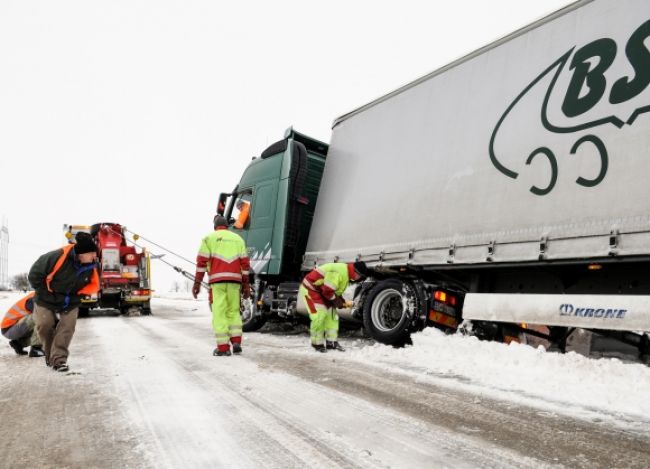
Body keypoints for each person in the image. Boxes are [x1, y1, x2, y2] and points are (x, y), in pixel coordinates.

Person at [28, 232, 100, 372]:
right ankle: (50, 356)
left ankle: (59, 360)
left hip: (70, 300)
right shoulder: (55, 257)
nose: (94, 256)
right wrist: (46, 293)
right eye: (91, 253)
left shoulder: (91, 266)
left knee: (67, 326)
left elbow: (92, 285)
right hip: (46, 297)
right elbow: (34, 275)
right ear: (81, 253)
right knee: (44, 325)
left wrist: (79, 296)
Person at [193, 215, 251, 356]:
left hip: (217, 283)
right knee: (234, 311)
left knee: (219, 313)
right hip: (235, 282)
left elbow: (201, 263)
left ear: (215, 227)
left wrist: (197, 283)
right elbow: (245, 264)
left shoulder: (208, 239)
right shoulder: (238, 239)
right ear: (227, 226)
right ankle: (236, 341)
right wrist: (246, 285)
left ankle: (223, 348)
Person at [299, 261, 368, 352]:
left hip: (322, 291)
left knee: (332, 316)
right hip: (312, 288)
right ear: (356, 272)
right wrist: (338, 302)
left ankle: (331, 343)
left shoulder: (346, 273)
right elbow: (328, 291)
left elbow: (334, 291)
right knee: (320, 315)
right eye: (360, 276)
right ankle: (317, 343)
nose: (359, 278)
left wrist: (341, 302)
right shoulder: (339, 273)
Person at [1, 291, 44, 357]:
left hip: (11, 328)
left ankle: (19, 344)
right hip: (9, 329)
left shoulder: (39, 295)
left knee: (43, 320)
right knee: (41, 316)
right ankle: (36, 349)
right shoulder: (34, 298)